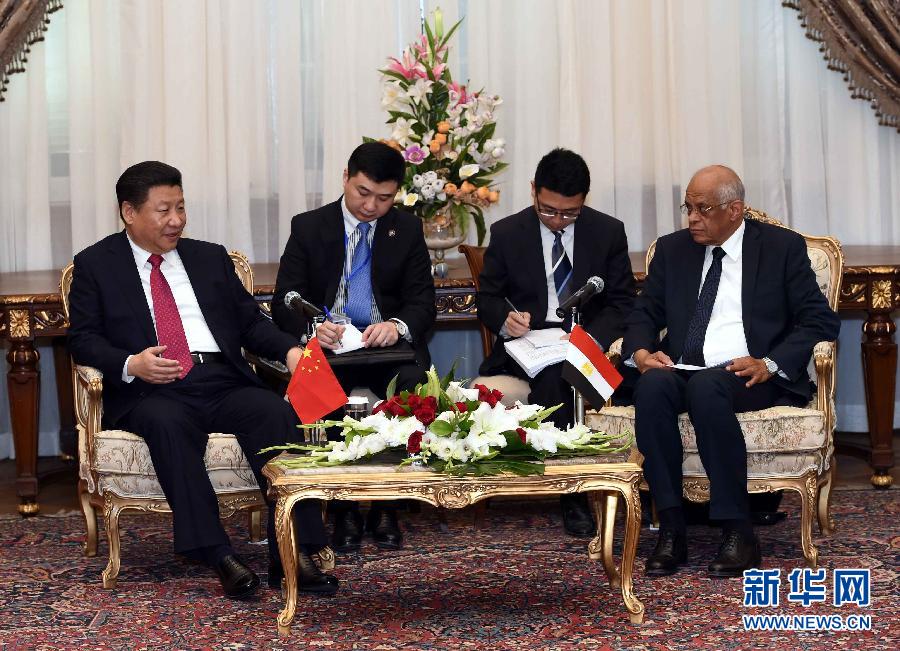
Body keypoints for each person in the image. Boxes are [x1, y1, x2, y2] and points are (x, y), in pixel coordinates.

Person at [68, 161, 338, 599]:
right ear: (129, 212)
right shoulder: (96, 264)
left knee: (273, 412)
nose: (176, 220)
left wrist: (291, 350)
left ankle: (292, 550)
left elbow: (250, 323)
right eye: (163, 210)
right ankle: (218, 553)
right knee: (168, 423)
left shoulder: (208, 257)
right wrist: (131, 363)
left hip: (219, 377)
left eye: (180, 207)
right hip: (153, 387)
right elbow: (83, 339)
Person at [623, 165, 841, 577]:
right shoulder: (672, 250)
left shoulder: (780, 248)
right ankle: (671, 528)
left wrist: (770, 363)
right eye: (688, 208)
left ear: (735, 210)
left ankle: (738, 530)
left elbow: (819, 320)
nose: (692, 218)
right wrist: (641, 352)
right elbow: (644, 312)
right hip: (683, 365)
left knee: (707, 388)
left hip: (749, 373)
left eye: (702, 209)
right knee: (651, 388)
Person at [273, 141, 436, 553]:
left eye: (384, 198)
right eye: (363, 192)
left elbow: (423, 303)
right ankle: (342, 505)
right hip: (332, 349)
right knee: (320, 387)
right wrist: (313, 328)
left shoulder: (407, 229)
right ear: (345, 178)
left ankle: (387, 504)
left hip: (387, 350)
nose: (370, 206)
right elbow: (284, 300)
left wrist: (396, 326)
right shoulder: (309, 227)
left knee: (414, 384)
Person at [476, 148, 636, 537]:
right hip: (526, 343)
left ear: (584, 200)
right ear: (534, 190)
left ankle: (581, 484)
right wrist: (506, 320)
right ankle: (571, 490)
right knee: (555, 377)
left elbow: (622, 303)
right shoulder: (508, 232)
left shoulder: (607, 232)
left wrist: (590, 337)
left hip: (585, 342)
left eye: (570, 213)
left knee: (569, 375)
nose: (558, 220)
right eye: (549, 211)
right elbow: (488, 299)